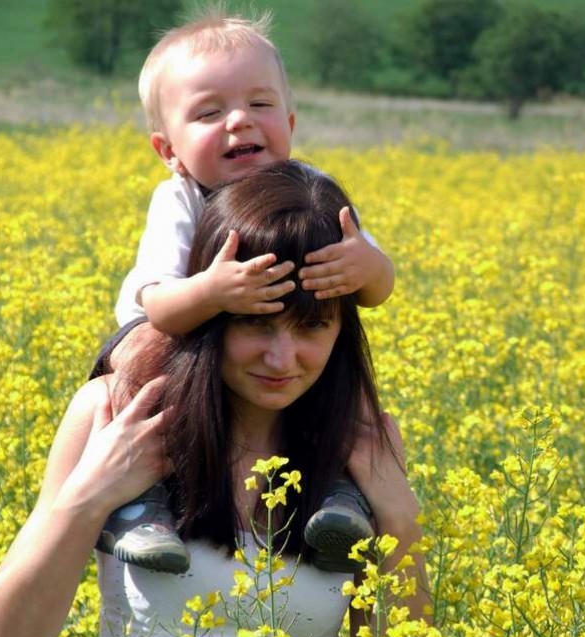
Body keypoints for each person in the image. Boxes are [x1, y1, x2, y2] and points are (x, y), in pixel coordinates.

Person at [0, 163, 428, 637]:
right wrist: (88, 498)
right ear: (211, 308)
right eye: (256, 323)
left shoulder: (360, 451)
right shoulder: (118, 413)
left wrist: (402, 523)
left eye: (313, 327)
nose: (283, 360)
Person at [99, 10, 395, 576]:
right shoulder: (180, 199)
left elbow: (378, 289)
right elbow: (156, 305)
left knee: (353, 387)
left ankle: (343, 496)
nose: (239, 122)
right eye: (210, 112)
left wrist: (365, 265)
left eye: (259, 105)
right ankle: (142, 505)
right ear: (168, 149)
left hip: (253, 347)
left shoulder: (308, 192)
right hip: (170, 339)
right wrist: (213, 291)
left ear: (289, 121)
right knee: (137, 371)